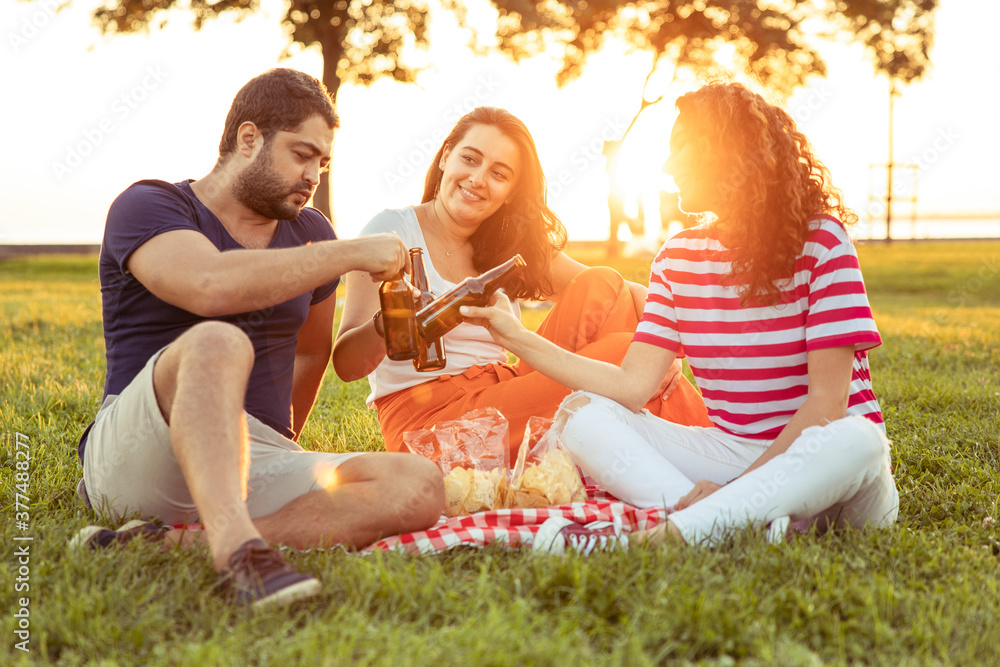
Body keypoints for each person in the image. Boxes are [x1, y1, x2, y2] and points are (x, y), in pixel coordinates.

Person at [461, 83, 899, 552]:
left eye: (680, 148)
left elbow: (826, 406)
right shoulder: (678, 258)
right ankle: (728, 524)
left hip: (829, 466)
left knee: (858, 437)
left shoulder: (823, 241)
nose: (667, 166)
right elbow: (633, 386)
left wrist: (746, 487)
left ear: (727, 152)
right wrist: (517, 337)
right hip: (734, 453)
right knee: (581, 414)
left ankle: (678, 531)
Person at [73, 68, 444, 608]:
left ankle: (172, 543)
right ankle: (240, 558)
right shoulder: (150, 205)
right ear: (249, 139)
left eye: (322, 162)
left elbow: (313, 351)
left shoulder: (310, 232)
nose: (313, 173)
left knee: (417, 485)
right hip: (140, 448)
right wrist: (353, 252)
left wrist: (276, 439)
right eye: (301, 154)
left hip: (248, 454)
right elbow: (209, 286)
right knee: (217, 342)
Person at [332, 107, 711, 463]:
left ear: (512, 190)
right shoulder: (391, 230)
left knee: (602, 285)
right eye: (469, 158)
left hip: (500, 391)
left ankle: (629, 441)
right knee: (623, 356)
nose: (478, 179)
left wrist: (659, 350)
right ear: (446, 156)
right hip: (432, 425)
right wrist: (393, 322)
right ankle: (712, 452)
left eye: (499, 173)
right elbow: (346, 365)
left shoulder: (504, 243)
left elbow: (612, 290)